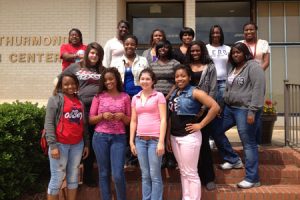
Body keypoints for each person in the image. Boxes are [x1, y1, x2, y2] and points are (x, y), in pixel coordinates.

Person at [214, 42, 265, 189]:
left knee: (248, 143)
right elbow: (228, 90)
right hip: (230, 108)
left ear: (245, 53)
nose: (236, 55)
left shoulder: (253, 67)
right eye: (233, 53)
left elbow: (258, 88)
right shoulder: (233, 68)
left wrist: (252, 111)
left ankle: (252, 178)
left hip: (245, 109)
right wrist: (221, 107)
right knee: (216, 130)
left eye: (238, 52)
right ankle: (233, 159)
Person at [167, 64, 219, 200]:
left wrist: (200, 124)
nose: (180, 79)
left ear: (189, 77)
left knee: (191, 172)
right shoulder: (174, 92)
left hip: (189, 137)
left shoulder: (195, 91)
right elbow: (170, 115)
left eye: (183, 76)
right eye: (177, 76)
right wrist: (168, 137)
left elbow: (215, 107)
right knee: (183, 172)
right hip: (174, 136)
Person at [62, 42, 105, 187]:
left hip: (96, 110)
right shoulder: (76, 66)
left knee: (90, 142)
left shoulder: (103, 70)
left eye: (97, 54)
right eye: (92, 53)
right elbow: (61, 81)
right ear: (87, 53)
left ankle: (87, 176)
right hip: (78, 108)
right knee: (77, 140)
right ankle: (70, 176)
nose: (94, 56)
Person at [45, 73, 89, 200]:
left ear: (77, 84)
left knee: (74, 176)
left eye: (73, 83)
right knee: (57, 178)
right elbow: (49, 124)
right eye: (66, 84)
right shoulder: (55, 99)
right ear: (61, 85)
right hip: (60, 145)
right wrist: (53, 146)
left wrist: (86, 143)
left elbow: (84, 124)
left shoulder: (79, 101)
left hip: (77, 145)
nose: (70, 86)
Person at [89, 67, 131, 200]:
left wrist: (122, 116)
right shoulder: (98, 96)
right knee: (104, 173)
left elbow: (129, 120)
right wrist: (102, 116)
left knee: (118, 174)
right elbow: (90, 119)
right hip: (100, 137)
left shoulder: (125, 97)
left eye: (111, 79)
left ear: (116, 79)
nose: (108, 82)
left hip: (119, 137)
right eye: (106, 80)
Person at [110, 35, 149, 166]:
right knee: (124, 126)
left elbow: (147, 77)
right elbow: (111, 79)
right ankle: (126, 157)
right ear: (124, 45)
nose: (129, 46)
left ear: (136, 46)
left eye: (132, 44)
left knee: (138, 125)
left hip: (138, 97)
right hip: (122, 98)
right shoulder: (116, 61)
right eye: (127, 44)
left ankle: (136, 156)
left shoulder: (143, 60)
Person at [130, 68, 167, 200]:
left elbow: (163, 119)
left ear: (153, 81)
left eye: (147, 79)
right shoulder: (135, 98)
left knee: (155, 175)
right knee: (145, 174)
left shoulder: (159, 96)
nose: (144, 81)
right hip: (140, 140)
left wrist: (161, 142)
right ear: (139, 80)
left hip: (154, 140)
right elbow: (133, 121)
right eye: (142, 79)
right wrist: (131, 141)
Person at [186, 40, 217, 190]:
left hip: (204, 111)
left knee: (203, 144)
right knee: (190, 145)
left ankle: (209, 178)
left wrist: (204, 108)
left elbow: (213, 89)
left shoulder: (210, 67)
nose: (195, 53)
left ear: (202, 51)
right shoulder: (186, 67)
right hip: (188, 110)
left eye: (197, 50)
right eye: (192, 51)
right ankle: (194, 176)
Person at [206, 25, 231, 105]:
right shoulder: (206, 48)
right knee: (211, 105)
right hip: (209, 81)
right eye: (213, 33)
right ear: (210, 35)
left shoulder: (227, 48)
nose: (215, 35)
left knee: (222, 105)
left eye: (217, 33)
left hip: (224, 81)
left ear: (221, 34)